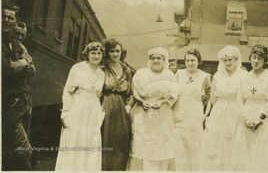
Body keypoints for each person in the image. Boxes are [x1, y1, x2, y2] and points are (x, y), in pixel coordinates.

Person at [55, 42, 105, 171]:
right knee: (74, 138)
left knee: (91, 140)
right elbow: (67, 90)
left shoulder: (101, 73)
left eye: (99, 53)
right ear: (87, 54)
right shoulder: (77, 68)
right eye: (93, 53)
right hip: (78, 107)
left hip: (93, 110)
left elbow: (98, 95)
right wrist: (65, 111)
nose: (96, 56)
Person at [127, 47, 179, 171]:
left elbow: (175, 93)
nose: (156, 61)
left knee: (160, 143)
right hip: (143, 112)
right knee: (141, 143)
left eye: (159, 58)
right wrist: (142, 101)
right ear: (149, 59)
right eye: (153, 58)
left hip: (162, 112)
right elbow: (135, 91)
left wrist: (162, 102)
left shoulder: (169, 75)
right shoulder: (141, 73)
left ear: (163, 60)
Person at [232, 44, 268, 170]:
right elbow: (239, 101)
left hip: (263, 118)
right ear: (250, 57)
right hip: (245, 117)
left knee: (261, 153)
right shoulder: (244, 76)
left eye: (260, 59)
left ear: (265, 61)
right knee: (245, 153)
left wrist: (259, 118)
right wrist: (246, 119)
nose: (256, 61)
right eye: (254, 57)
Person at [2, 6, 35, 170]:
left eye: (10, 18)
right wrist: (23, 64)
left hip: (23, 101)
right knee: (23, 148)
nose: (6, 21)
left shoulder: (18, 46)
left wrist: (23, 65)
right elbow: (7, 68)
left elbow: (32, 68)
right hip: (11, 102)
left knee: (20, 143)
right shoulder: (6, 45)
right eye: (4, 17)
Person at [201, 45, 244, 170]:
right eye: (225, 60)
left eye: (230, 59)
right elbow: (212, 99)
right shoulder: (217, 76)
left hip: (235, 110)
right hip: (219, 111)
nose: (228, 63)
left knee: (231, 140)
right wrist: (206, 115)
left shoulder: (243, 75)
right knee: (216, 140)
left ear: (236, 60)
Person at [172, 49, 211, 170]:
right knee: (179, 148)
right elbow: (173, 92)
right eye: (187, 60)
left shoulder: (205, 77)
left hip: (195, 116)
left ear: (198, 61)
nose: (190, 63)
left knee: (194, 147)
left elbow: (209, 98)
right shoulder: (178, 74)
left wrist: (205, 114)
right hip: (179, 114)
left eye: (193, 60)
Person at [100, 38, 134, 170]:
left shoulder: (126, 70)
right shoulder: (103, 68)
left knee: (122, 139)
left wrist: (129, 106)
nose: (115, 54)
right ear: (107, 53)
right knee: (106, 138)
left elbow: (132, 91)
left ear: (121, 52)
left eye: (117, 51)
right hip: (106, 104)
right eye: (112, 51)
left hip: (122, 106)